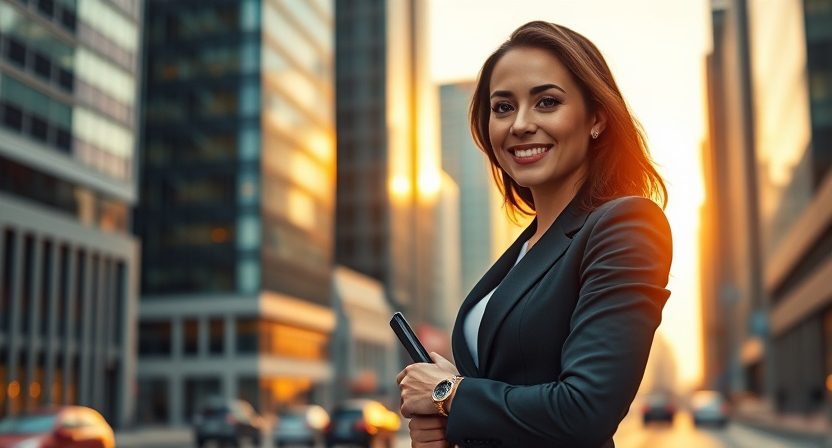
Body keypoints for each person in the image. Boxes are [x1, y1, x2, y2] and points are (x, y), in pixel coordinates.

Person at [396, 20, 672, 448]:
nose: (520, 124)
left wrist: (448, 394)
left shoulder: (626, 225)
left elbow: (584, 411)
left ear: (596, 117)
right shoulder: (520, 253)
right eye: (503, 107)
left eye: (546, 102)